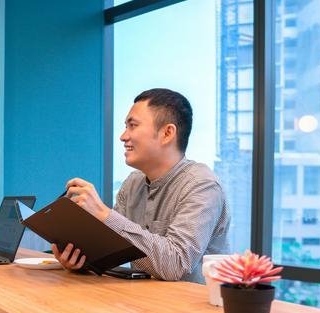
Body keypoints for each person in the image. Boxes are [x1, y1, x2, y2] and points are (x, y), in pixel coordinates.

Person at [53, 88, 230, 283]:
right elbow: (112, 251)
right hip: (141, 304)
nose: (123, 136)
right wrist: (80, 259)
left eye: (133, 126)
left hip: (189, 310)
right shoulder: (133, 183)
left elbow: (176, 265)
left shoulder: (202, 185)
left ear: (167, 133)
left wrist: (104, 214)